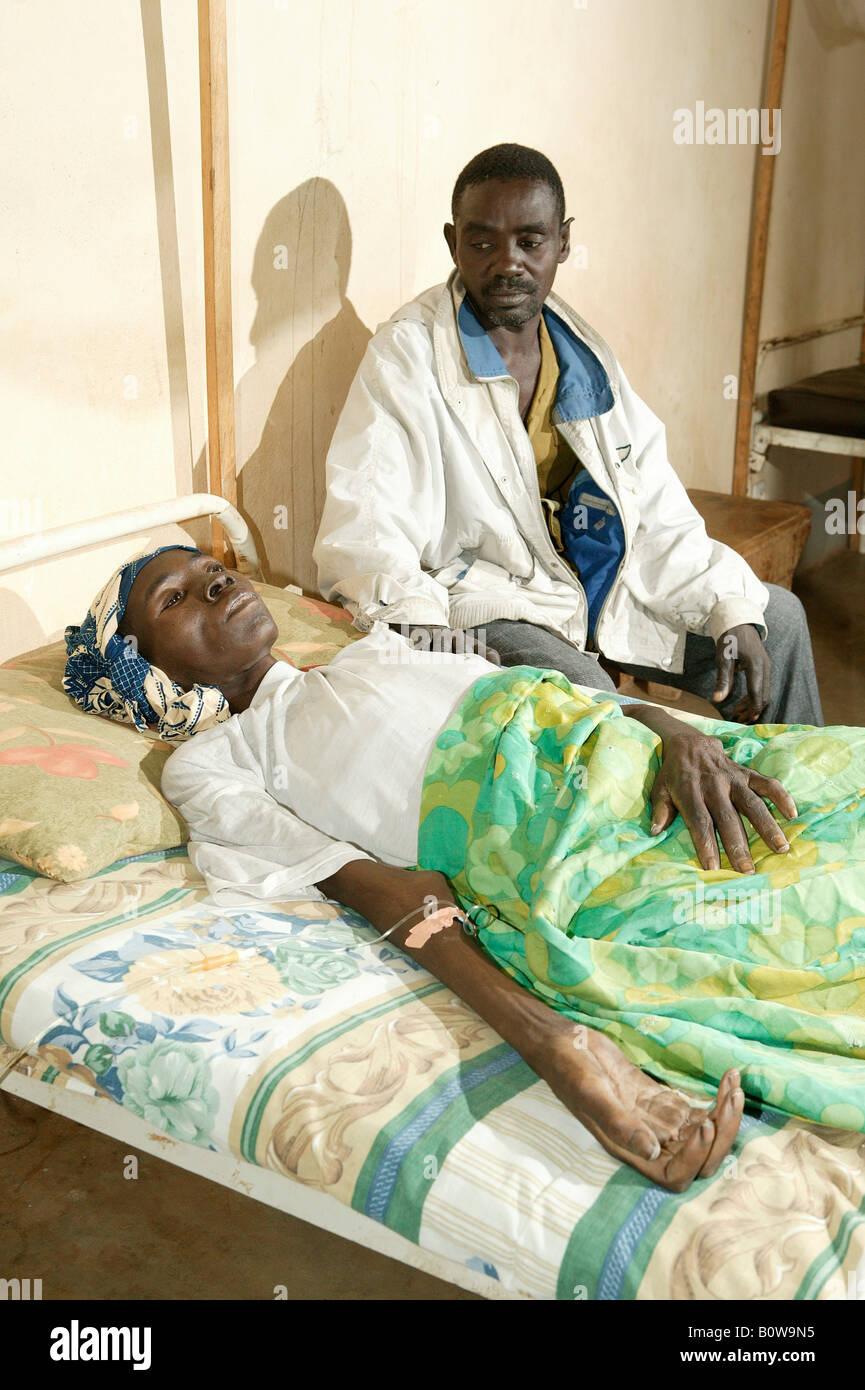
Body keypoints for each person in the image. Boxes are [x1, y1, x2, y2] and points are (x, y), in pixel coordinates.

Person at [64, 549, 865, 1193]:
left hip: (644, 760)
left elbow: (551, 696)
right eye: (177, 598)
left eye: (212, 572)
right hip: (553, 841)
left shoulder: (369, 648)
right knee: (798, 926)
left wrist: (677, 732)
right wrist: (559, 1047)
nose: (216, 583)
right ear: (139, 665)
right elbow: (380, 888)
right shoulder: (214, 761)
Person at [313, 143, 823, 728]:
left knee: (773, 622)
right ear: (453, 242)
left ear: (563, 241)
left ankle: (803, 804)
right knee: (610, 707)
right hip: (492, 603)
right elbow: (366, 522)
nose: (508, 263)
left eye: (531, 242)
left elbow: (652, 504)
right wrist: (415, 619)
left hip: (596, 587)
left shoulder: (582, 353)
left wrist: (727, 606)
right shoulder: (407, 355)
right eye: (482, 243)